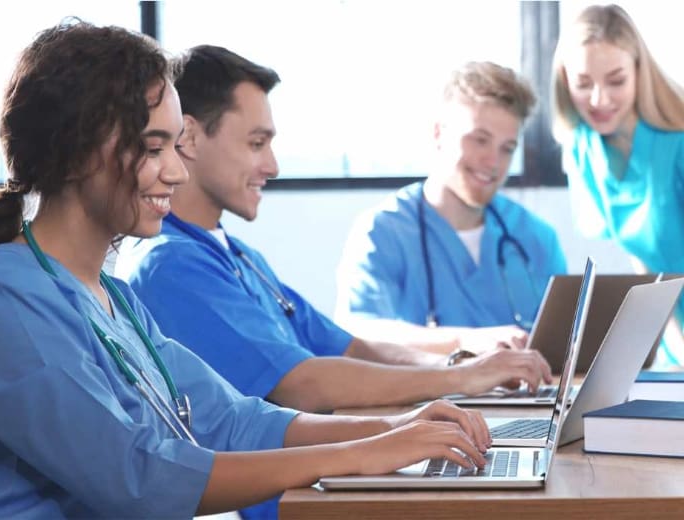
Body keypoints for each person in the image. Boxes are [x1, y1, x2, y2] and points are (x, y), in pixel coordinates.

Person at [0, 20, 493, 520]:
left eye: (174, 148)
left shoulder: (113, 298)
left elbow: (232, 419)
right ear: (80, 152)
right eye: (154, 148)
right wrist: (359, 455)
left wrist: (396, 430)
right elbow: (137, 477)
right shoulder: (8, 297)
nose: (176, 174)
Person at [115, 45, 552, 417]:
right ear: (188, 137)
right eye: (256, 143)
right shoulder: (169, 265)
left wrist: (464, 368)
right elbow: (302, 383)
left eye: (507, 148)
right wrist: (460, 376)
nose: (273, 166)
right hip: (283, 499)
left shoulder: (240, 257)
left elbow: (348, 347)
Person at [333, 61, 567, 357]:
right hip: (423, 401)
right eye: (479, 140)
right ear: (438, 134)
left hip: (527, 402)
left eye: (506, 148)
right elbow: (361, 333)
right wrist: (464, 342)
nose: (493, 162)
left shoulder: (534, 237)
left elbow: (566, 342)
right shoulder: (382, 233)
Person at [551, 3, 684, 367]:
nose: (599, 100)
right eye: (583, 83)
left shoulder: (678, 141)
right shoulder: (583, 147)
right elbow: (644, 258)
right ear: (565, 80)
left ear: (640, 72)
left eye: (616, 81)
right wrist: (669, 335)